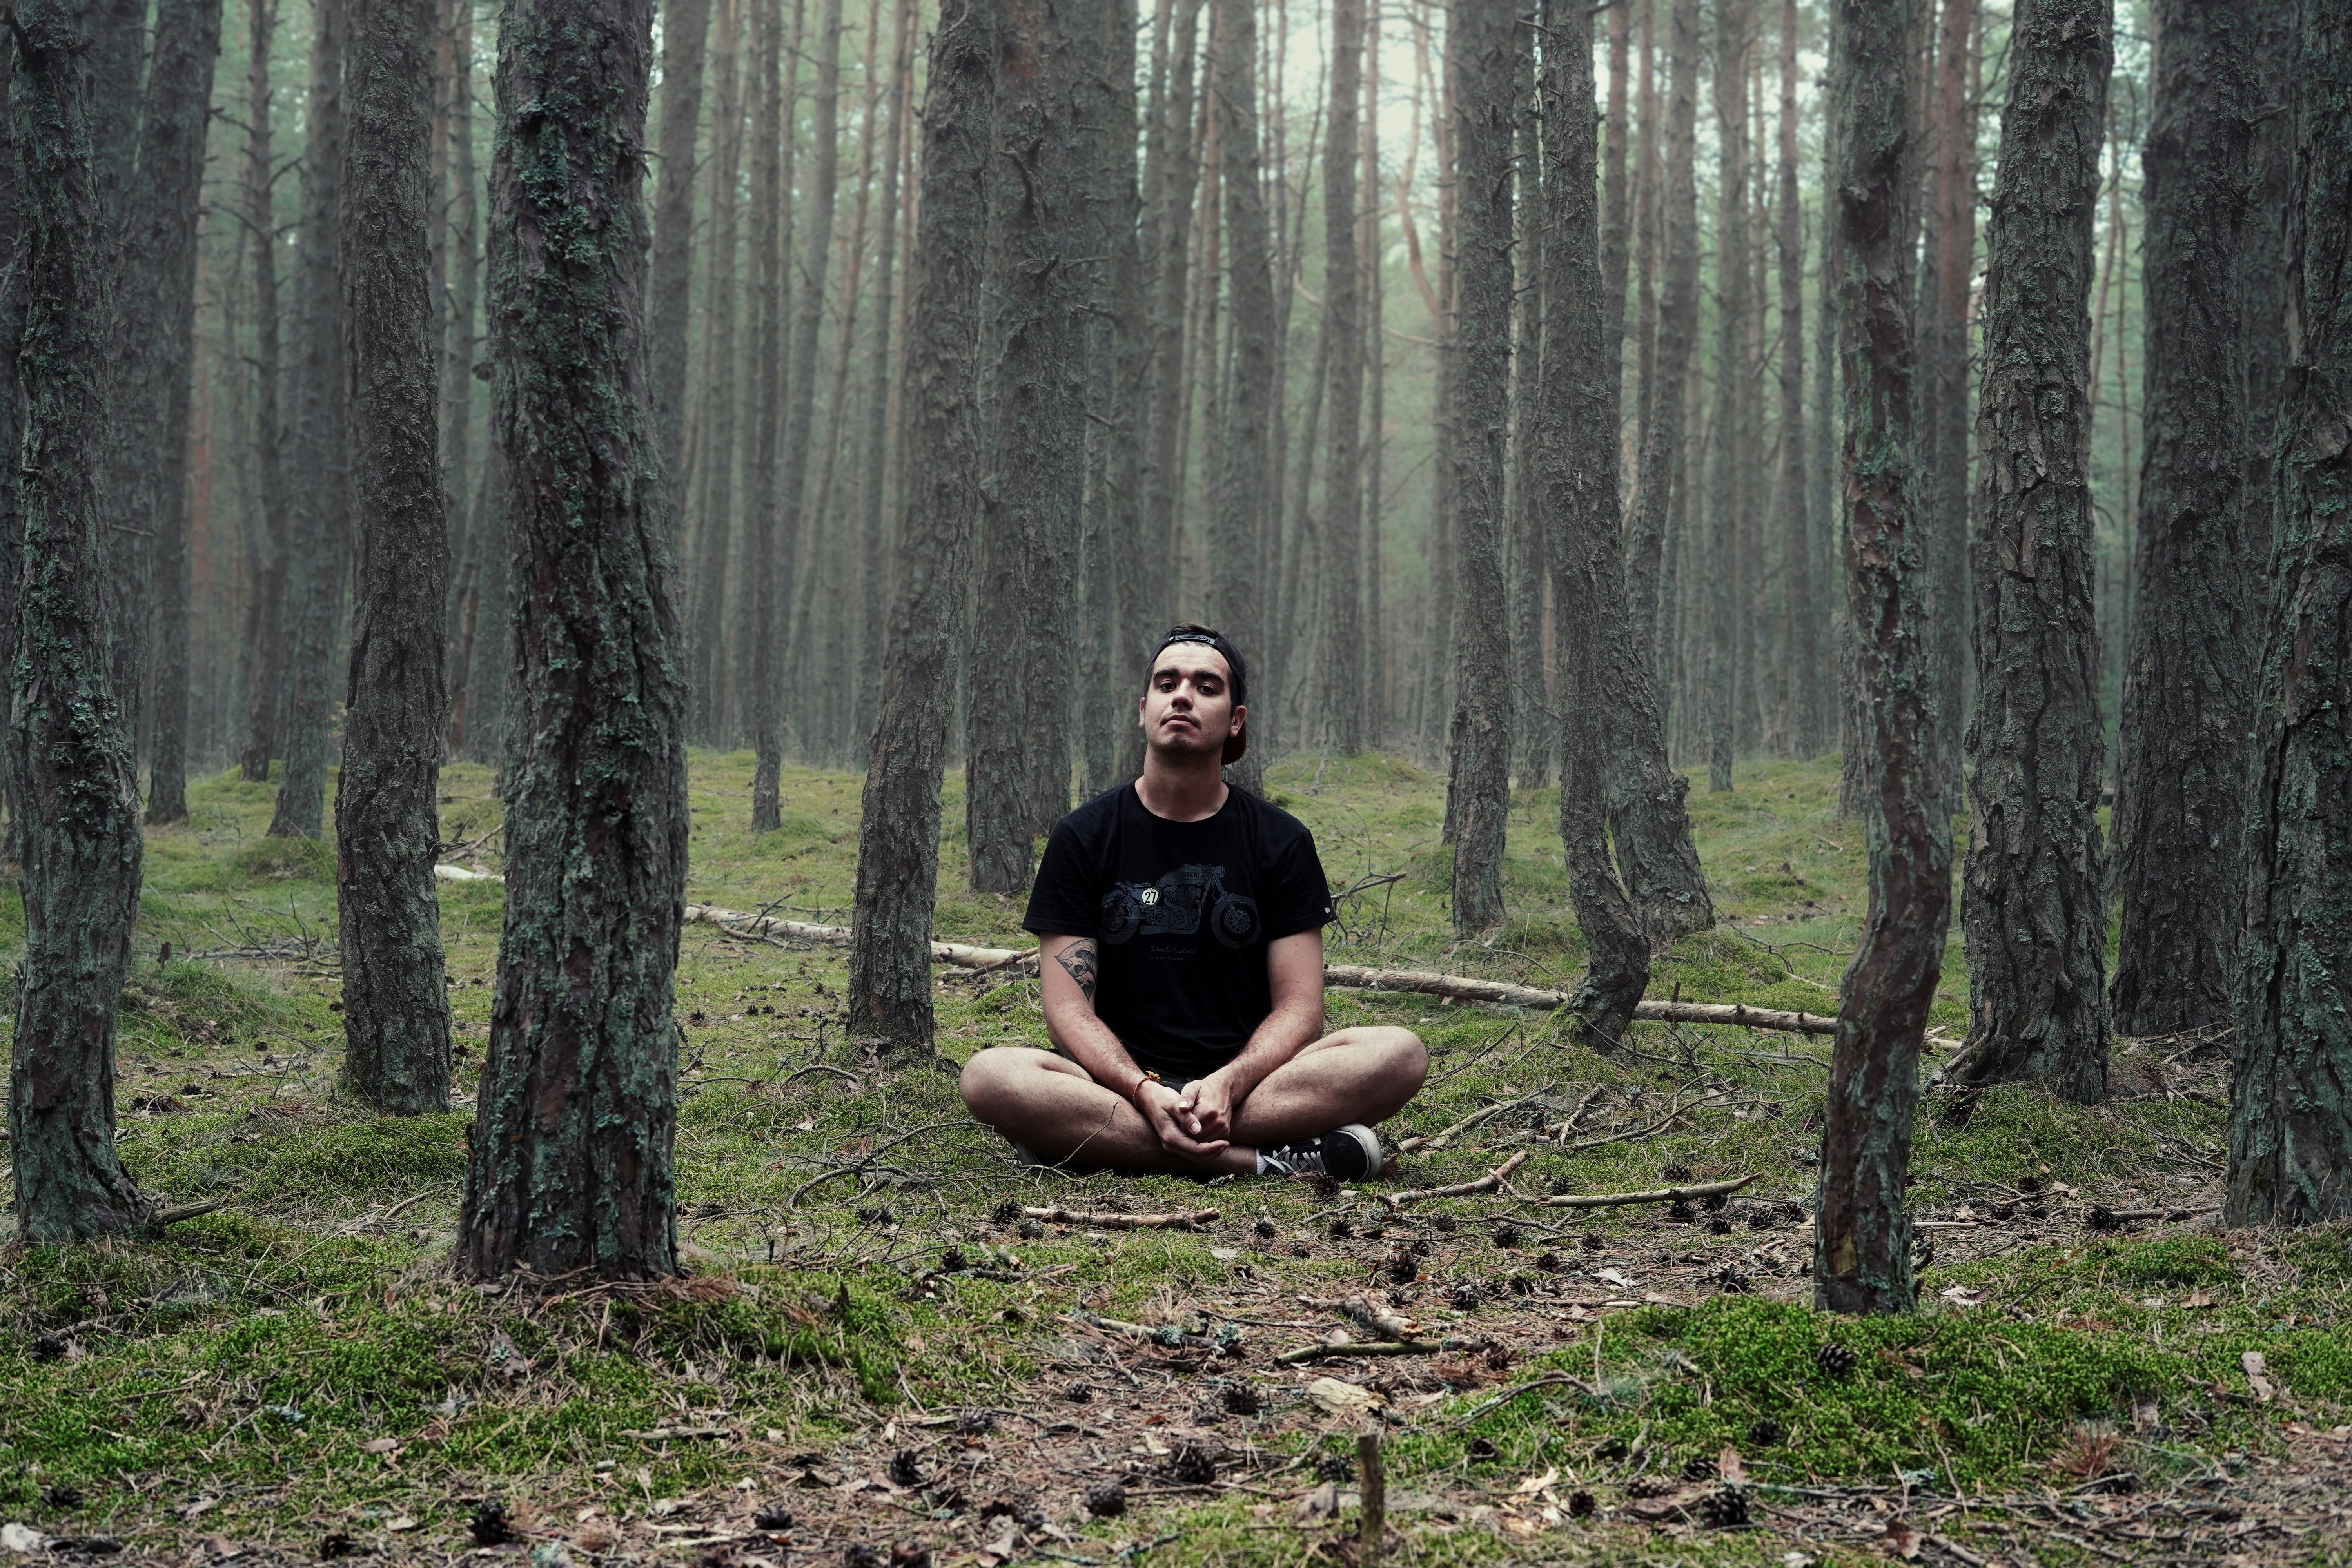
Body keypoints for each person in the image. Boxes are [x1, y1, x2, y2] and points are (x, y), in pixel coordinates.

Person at [958, 624, 1427, 1180]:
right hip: (1118, 1086)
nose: (1183, 695)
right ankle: (1262, 1161)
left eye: (1207, 686)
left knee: (1400, 1053)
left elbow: (1300, 1009)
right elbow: (1067, 1013)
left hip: (1251, 1088)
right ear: (1144, 709)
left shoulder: (1281, 840)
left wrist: (1229, 1082)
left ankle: (1092, 1146)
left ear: (1235, 721)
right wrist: (1141, 1088)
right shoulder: (1082, 836)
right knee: (990, 1076)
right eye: (1167, 683)